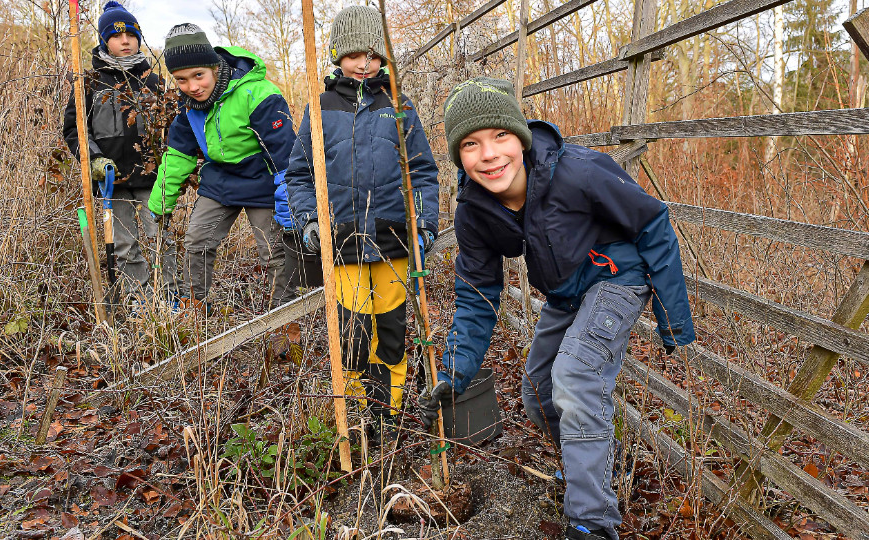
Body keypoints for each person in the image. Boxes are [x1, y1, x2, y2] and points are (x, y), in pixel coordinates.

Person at [418, 78, 696, 540]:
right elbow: (477, 294)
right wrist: (453, 374)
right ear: (458, 156)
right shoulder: (474, 209)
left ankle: (591, 521)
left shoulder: (578, 172)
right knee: (537, 392)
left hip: (615, 279)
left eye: (500, 136)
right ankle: (607, 469)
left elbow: (653, 223)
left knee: (575, 376)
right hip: (567, 294)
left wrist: (674, 322)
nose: (489, 155)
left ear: (521, 137)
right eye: (471, 144)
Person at [285, 5, 439, 442]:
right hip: (344, 241)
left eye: (373, 55)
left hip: (393, 242)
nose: (363, 63)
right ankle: (354, 411)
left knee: (391, 330)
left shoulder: (399, 104)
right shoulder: (320, 108)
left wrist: (424, 222)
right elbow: (300, 172)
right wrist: (310, 219)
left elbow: (422, 170)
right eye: (354, 55)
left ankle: (389, 410)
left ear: (383, 59)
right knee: (352, 333)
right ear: (338, 55)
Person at [149, 24, 297, 311]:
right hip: (220, 179)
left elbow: (285, 156)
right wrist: (159, 204)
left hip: (264, 180)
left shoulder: (259, 94)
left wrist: (289, 201)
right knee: (197, 241)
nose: (192, 87)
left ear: (214, 67)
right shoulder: (188, 107)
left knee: (274, 253)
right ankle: (194, 310)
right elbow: (178, 157)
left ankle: (284, 317)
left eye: (198, 76)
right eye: (181, 80)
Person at [63, 1, 177, 302]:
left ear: (139, 38)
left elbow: (173, 126)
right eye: (115, 36)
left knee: (161, 239)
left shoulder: (153, 81)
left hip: (153, 178)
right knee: (125, 245)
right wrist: (94, 158)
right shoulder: (90, 82)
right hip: (111, 179)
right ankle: (139, 302)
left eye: (130, 35)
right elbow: (75, 130)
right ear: (104, 41)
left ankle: (170, 298)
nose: (124, 41)